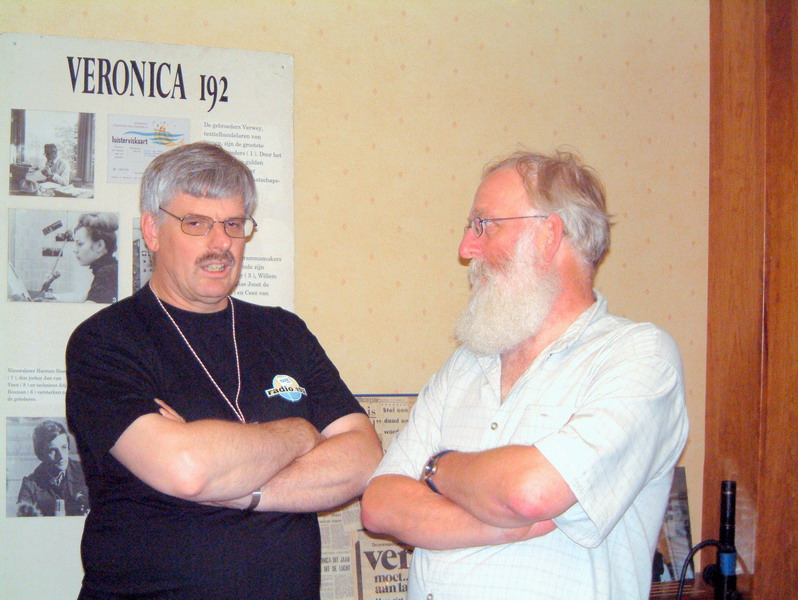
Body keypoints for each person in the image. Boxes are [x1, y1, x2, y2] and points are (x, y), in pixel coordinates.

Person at [361, 150, 689, 600]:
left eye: (484, 225)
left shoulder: (638, 357)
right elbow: (380, 505)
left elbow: (531, 493)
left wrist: (437, 466)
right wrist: (501, 526)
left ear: (548, 235)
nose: (466, 249)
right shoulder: (466, 363)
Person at [66, 142, 382, 599]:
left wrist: (241, 490)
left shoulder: (284, 331)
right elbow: (188, 469)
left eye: (233, 224)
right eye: (196, 223)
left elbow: (364, 459)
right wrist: (299, 433)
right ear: (152, 231)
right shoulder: (106, 340)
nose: (221, 244)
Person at [16, 420, 90, 517]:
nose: (61, 456)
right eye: (53, 450)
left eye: (64, 447)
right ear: (41, 454)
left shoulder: (86, 471)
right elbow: (21, 521)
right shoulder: (29, 486)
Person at [73, 212, 119, 303]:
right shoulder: (112, 269)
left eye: (79, 244)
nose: (75, 250)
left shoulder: (106, 273)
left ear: (99, 246)